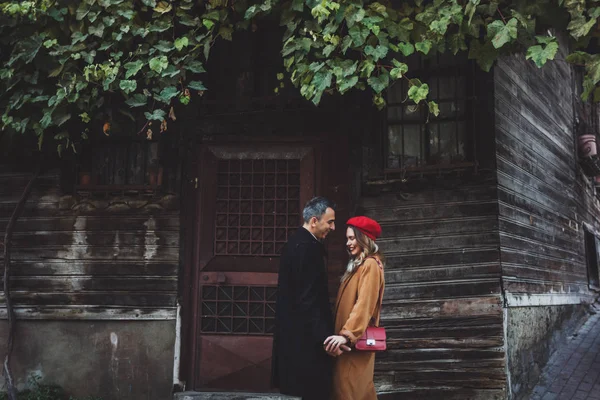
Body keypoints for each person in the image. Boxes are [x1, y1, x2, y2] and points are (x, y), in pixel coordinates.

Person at [271, 196, 345, 400]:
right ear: (314, 221)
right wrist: (324, 338)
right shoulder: (308, 249)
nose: (333, 227)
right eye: (329, 221)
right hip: (307, 342)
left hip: (295, 339)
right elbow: (309, 299)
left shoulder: (294, 244)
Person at [324, 216, 386, 400]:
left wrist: (346, 335)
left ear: (363, 238)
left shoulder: (370, 265)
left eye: (352, 238)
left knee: (352, 393)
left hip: (354, 345)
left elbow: (364, 306)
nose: (348, 243)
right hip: (348, 345)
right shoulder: (358, 265)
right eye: (347, 239)